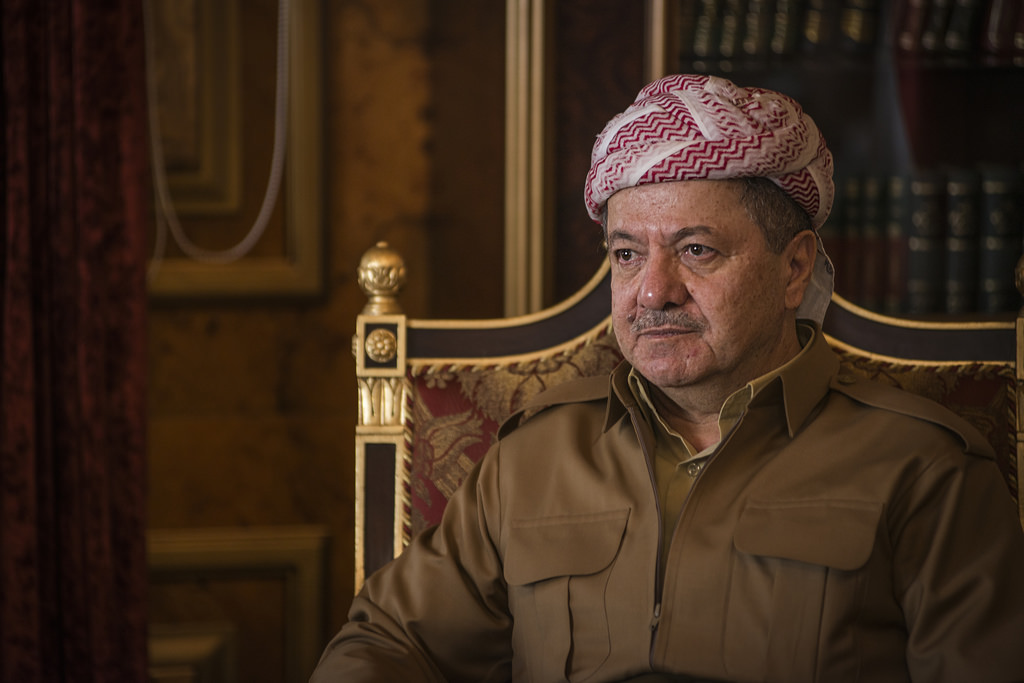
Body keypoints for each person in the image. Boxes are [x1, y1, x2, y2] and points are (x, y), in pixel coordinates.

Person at [311, 74, 1024, 682]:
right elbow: (388, 643)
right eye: (626, 254)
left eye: (696, 250)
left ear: (794, 268)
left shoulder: (923, 467)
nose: (653, 291)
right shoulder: (534, 455)